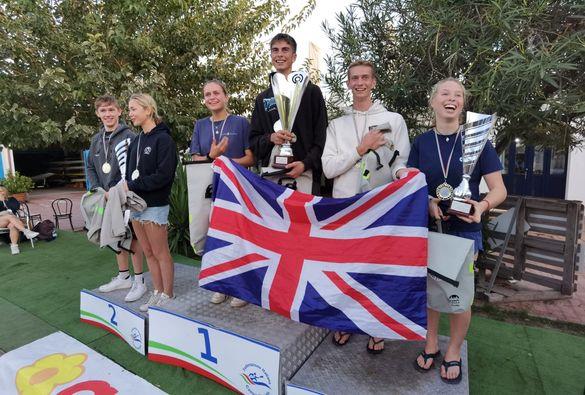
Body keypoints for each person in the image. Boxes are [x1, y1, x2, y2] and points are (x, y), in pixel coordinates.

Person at [408, 78, 506, 384]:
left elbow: (499, 189)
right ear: (433, 101)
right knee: (431, 291)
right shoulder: (421, 143)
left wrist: (481, 207)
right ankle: (432, 342)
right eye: (446, 93)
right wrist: (425, 200)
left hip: (465, 233)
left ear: (462, 104)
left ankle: (453, 349)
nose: (452, 99)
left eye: (459, 95)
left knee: (460, 297)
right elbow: (411, 184)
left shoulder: (479, 141)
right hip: (430, 230)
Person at [322, 60, 413, 354]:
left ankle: (376, 327)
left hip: (381, 206)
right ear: (348, 83)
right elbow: (328, 168)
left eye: (365, 78)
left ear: (374, 82)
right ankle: (345, 323)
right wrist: (360, 149)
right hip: (345, 207)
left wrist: (402, 176)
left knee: (375, 269)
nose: (359, 82)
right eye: (354, 78)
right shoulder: (336, 125)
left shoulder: (394, 119)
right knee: (345, 269)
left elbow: (400, 161)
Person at [190, 79, 252, 307]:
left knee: (238, 239)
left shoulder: (241, 123)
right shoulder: (200, 125)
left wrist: (223, 161)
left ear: (226, 96)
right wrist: (211, 156)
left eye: (216, 93)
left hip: (236, 190)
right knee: (216, 239)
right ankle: (221, 285)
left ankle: (240, 289)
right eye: (207, 94)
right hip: (209, 191)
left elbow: (251, 157)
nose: (212, 97)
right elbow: (196, 158)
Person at [249, 33, 327, 194]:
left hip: (305, 174)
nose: (279, 54)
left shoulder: (311, 92)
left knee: (303, 220)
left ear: (294, 56)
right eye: (275, 50)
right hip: (271, 176)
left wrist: (305, 164)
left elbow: (322, 137)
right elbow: (253, 140)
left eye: (285, 50)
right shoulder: (263, 98)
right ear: (270, 55)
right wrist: (270, 138)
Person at [87, 95, 146, 302]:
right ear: (98, 114)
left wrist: (120, 189)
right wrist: (97, 188)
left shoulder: (130, 136)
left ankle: (140, 281)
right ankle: (124, 277)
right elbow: (91, 168)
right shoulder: (96, 140)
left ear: (119, 111)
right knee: (115, 234)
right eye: (103, 111)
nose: (108, 114)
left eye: (111, 110)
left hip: (125, 195)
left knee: (132, 237)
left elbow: (135, 167)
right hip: (105, 197)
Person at [124, 93, 178, 312]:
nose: (130, 114)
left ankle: (168, 294)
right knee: (147, 252)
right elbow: (130, 174)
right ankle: (157, 291)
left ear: (148, 110)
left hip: (155, 205)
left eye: (134, 109)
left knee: (160, 252)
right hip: (136, 205)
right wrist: (129, 187)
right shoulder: (136, 141)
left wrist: (133, 185)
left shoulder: (163, 139)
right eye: (129, 109)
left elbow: (164, 175)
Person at [0, 186, 39, 255]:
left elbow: (17, 207)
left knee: (12, 225)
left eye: (2, 191)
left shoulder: (11, 199)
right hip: (1, 221)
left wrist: (5, 201)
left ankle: (14, 247)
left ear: (5, 191)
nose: (1, 192)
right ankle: (26, 232)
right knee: (9, 216)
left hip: (12, 220)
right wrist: (2, 213)